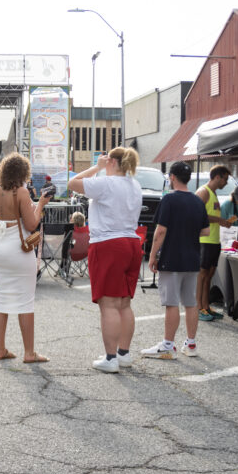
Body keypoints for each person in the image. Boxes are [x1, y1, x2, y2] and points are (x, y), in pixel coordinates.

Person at [67, 147, 144, 374]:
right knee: (124, 303)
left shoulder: (106, 183)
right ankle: (123, 354)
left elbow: (72, 183)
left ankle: (110, 358)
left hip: (108, 244)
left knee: (108, 304)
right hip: (131, 242)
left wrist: (96, 167)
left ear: (111, 161)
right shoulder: (135, 184)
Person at [0, 152, 53, 364]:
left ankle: (0, 349)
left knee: (1, 297)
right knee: (25, 301)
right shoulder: (21, 192)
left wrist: (6, 225)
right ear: (23, 172)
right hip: (18, 251)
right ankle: (29, 353)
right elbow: (31, 225)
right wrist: (40, 205)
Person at [141, 162, 209, 359]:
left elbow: (160, 231)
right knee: (190, 303)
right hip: (192, 258)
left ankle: (168, 345)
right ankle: (191, 344)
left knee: (172, 303)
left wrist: (152, 255)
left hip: (172, 257)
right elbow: (205, 231)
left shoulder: (169, 199)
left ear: (172, 177)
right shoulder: (197, 201)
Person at [196, 165, 231, 321]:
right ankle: (198, 308)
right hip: (204, 240)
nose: (226, 182)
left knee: (209, 275)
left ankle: (206, 306)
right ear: (217, 177)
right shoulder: (203, 192)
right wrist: (219, 220)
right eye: (225, 179)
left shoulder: (213, 193)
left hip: (214, 240)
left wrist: (222, 222)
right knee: (202, 275)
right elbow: (197, 214)